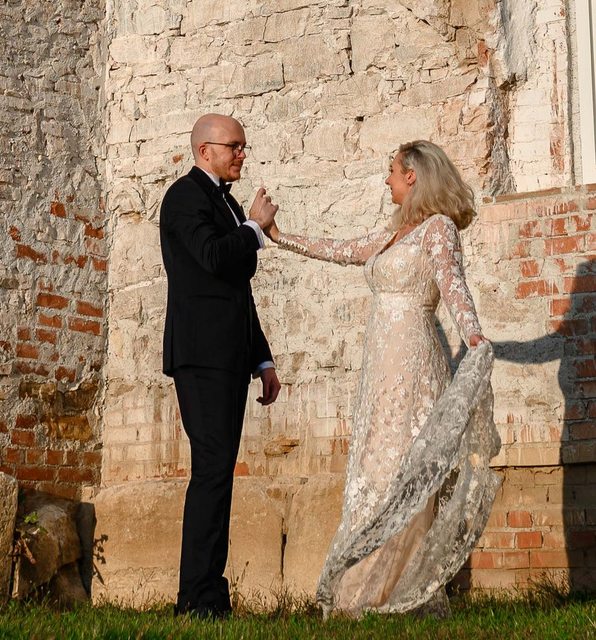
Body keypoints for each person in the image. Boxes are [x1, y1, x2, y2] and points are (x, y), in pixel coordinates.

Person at [262, 140, 497, 615]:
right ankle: (361, 592)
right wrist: (278, 234)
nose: (386, 179)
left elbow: (455, 289)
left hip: (413, 359)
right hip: (380, 367)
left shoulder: (437, 230)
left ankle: (400, 591)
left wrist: (475, 339)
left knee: (402, 469)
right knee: (373, 470)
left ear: (413, 175)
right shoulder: (396, 234)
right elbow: (342, 250)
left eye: (391, 171)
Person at [159, 112, 281, 617]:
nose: (241, 155)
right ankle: (195, 599)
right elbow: (212, 257)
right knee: (211, 471)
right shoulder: (184, 197)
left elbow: (238, 289)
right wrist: (254, 226)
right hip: (201, 357)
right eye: (234, 146)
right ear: (205, 149)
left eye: (243, 147)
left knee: (221, 473)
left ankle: (211, 592)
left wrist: (263, 357)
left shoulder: (226, 203)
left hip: (232, 357)